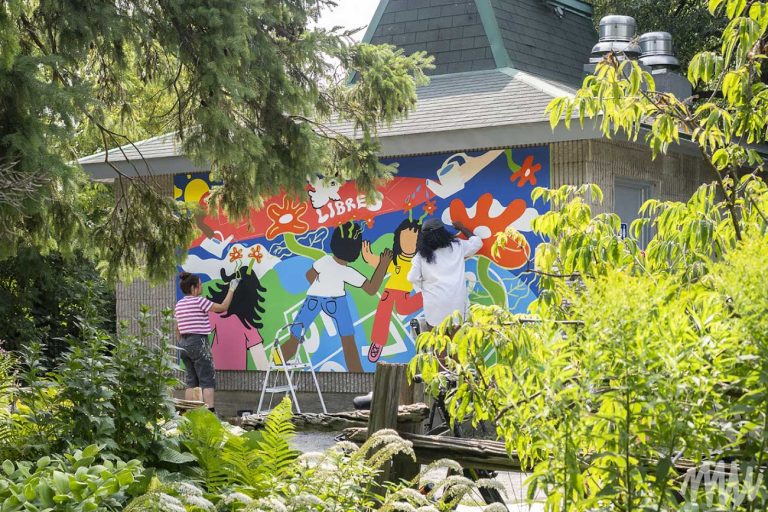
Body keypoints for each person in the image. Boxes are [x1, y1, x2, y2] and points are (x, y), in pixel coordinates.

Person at [282, 221, 392, 372]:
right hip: (336, 301)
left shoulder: (325, 260)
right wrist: (383, 264)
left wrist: (322, 287)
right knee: (348, 342)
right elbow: (372, 289)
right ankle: (358, 377)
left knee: (294, 339)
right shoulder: (348, 272)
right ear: (355, 250)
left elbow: (309, 275)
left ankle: (271, 365)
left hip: (313, 298)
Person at [175, 271, 239, 413]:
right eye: (200, 284)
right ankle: (210, 413)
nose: (202, 286)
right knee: (207, 380)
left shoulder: (179, 304)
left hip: (183, 344)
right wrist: (232, 289)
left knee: (191, 380)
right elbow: (223, 308)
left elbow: (177, 328)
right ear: (194, 287)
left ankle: (186, 414)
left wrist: (182, 343)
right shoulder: (200, 301)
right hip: (198, 342)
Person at [362, 218, 423, 363]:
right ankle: (377, 342)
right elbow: (378, 262)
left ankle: (425, 297)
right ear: (398, 239)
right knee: (382, 314)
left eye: (412, 240)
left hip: (404, 293)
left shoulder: (418, 261)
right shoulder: (395, 259)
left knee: (403, 309)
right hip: (389, 292)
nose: (408, 244)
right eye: (404, 239)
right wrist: (368, 256)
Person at [407, 219, 482, 330]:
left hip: (434, 305)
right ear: (443, 232)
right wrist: (462, 227)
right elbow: (477, 243)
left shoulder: (421, 256)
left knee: (438, 342)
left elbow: (412, 277)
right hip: (457, 303)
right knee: (456, 340)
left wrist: (425, 287)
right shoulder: (457, 246)